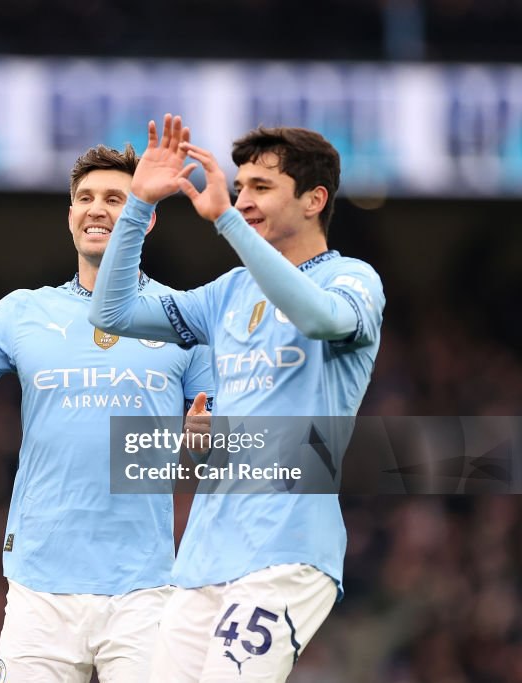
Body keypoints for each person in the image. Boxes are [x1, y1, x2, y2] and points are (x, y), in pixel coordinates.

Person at [0, 144, 214, 682]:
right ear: (70, 215)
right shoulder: (24, 312)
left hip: (144, 589)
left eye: (116, 198)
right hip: (40, 588)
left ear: (146, 216)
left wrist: (204, 439)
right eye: (85, 198)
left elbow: (219, 449)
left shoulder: (183, 318)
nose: (97, 209)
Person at [90, 115, 385, 682]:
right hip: (204, 556)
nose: (243, 198)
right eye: (240, 185)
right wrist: (139, 205)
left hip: (287, 550)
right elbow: (111, 312)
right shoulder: (227, 293)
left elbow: (320, 319)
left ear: (314, 200)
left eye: (261, 187)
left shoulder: (352, 280)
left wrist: (226, 220)